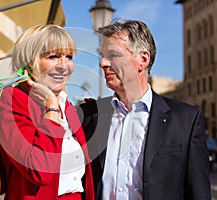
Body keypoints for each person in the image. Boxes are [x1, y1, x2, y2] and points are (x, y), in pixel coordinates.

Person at [76, 19, 211, 200]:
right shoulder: (89, 115)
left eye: (113, 55)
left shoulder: (186, 120)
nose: (102, 64)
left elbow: (198, 192)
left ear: (143, 59)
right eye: (102, 56)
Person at [0, 24, 94, 200]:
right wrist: (51, 109)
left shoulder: (67, 106)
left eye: (68, 57)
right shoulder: (12, 100)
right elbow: (39, 171)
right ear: (30, 62)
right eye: (53, 56)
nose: (64, 66)